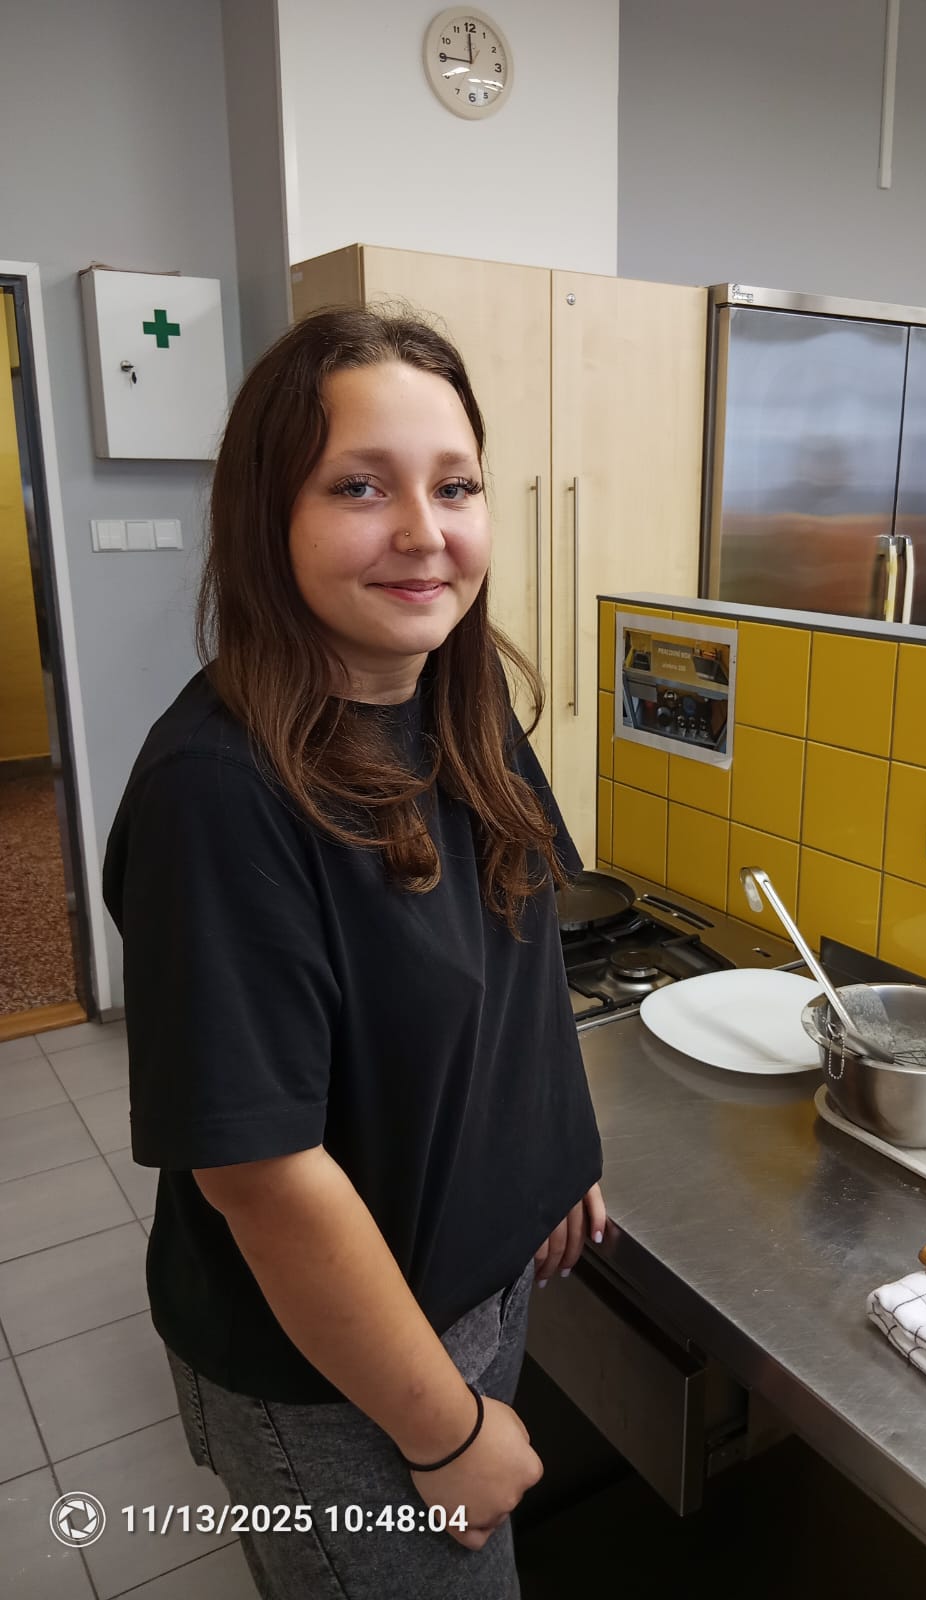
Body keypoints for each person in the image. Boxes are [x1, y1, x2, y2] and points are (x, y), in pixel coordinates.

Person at [102, 308, 606, 1598]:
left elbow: (521, 945)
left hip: (474, 1288)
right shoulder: (220, 796)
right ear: (265, 515)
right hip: (341, 1376)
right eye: (360, 487)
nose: (425, 531)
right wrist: (446, 1433)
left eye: (456, 486)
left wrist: (559, 1148)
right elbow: (263, 1176)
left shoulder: (459, 699)